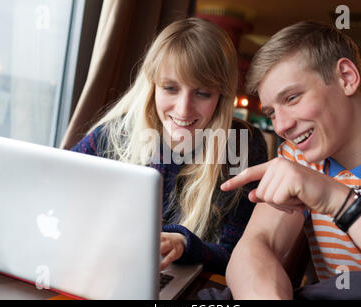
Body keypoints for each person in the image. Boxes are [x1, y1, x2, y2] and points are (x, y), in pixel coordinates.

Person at [221, 21, 361, 299]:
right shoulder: (299, 157)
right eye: (271, 113)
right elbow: (255, 246)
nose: (281, 127)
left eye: (291, 98)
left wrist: (338, 200)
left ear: (346, 78)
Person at [71, 18, 268, 275]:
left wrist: (186, 244)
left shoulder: (243, 147)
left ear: (222, 96)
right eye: (170, 88)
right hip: (105, 271)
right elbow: (55, 191)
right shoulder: (116, 133)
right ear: (152, 85)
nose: (183, 109)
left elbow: (237, 257)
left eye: (203, 93)